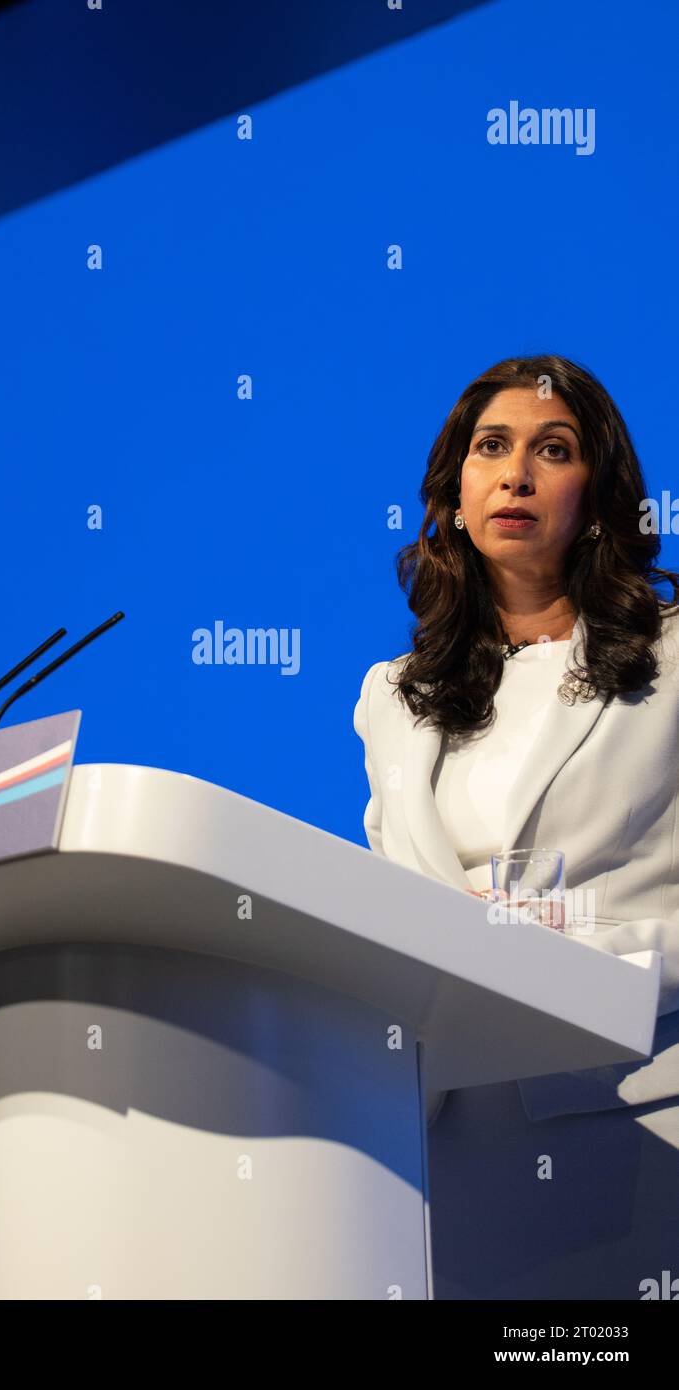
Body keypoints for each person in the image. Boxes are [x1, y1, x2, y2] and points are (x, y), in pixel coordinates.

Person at [353, 354, 679, 1300]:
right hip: (453, 1141)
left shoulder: (670, 656)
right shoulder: (392, 699)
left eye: (554, 449)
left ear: (599, 492)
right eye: (491, 447)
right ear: (456, 489)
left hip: (641, 1107)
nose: (517, 473)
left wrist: (584, 953)